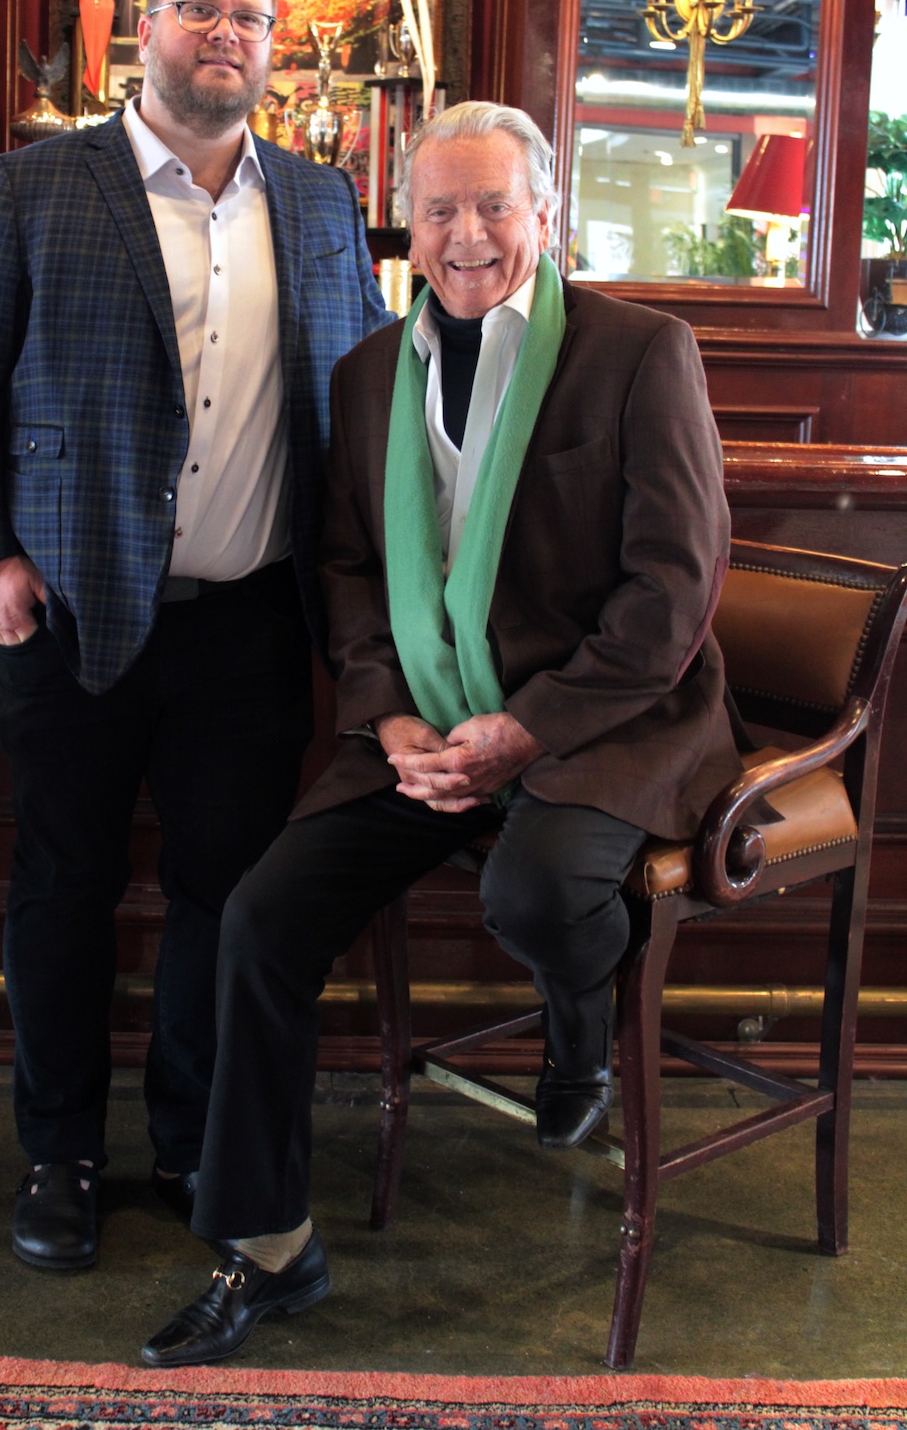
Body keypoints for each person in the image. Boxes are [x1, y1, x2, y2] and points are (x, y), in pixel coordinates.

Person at [141, 100, 742, 1367]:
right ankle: (268, 1246)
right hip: (422, 719)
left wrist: (527, 730)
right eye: (438, 211)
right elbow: (346, 569)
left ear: (545, 214)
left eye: (493, 206)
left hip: (604, 715)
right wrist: (389, 713)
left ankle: (579, 1017)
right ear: (405, 228)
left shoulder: (642, 352)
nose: (466, 235)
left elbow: (671, 593)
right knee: (260, 918)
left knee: (536, 893)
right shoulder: (368, 374)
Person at [0, 0, 391, 1273]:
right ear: (145, 31)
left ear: (273, 47)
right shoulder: (30, 185)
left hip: (251, 623)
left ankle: (190, 1144)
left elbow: (361, 390)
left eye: (250, 17)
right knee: (64, 885)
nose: (225, 33)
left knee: (222, 896)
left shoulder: (319, 200)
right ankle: (58, 1154)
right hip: (67, 612)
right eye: (198, 10)